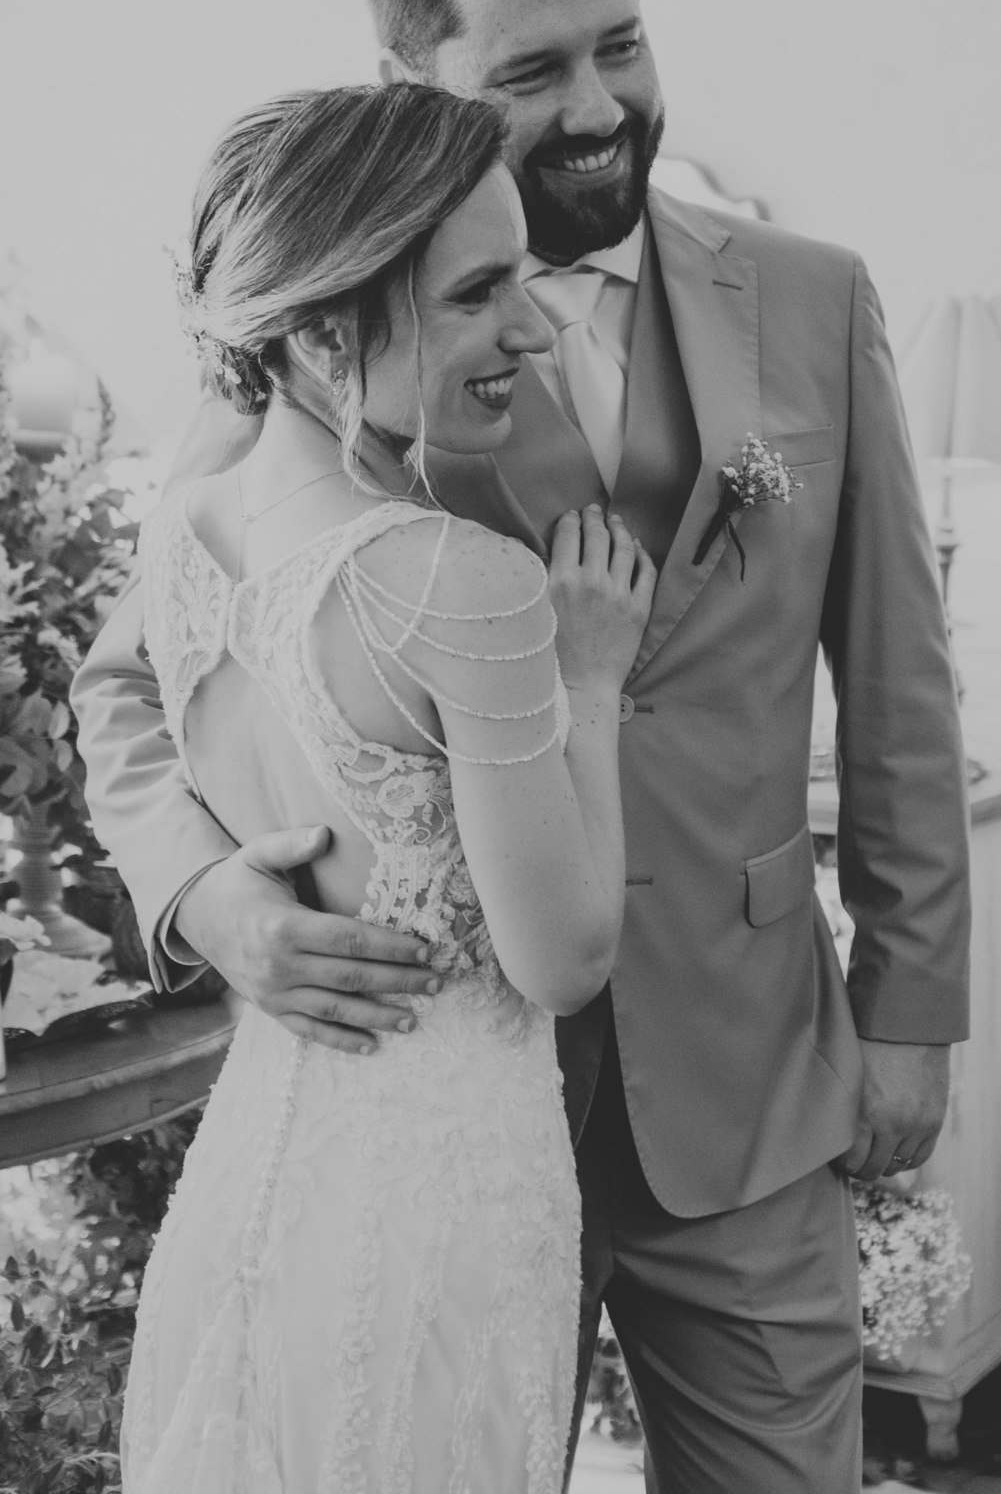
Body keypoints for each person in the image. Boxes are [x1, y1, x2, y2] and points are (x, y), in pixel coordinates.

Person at [75, 0, 971, 1491]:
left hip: (745, 1072)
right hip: (448, 1097)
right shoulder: (321, 332)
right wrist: (211, 902)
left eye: (620, 43)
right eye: (532, 71)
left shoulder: (811, 299)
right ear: (413, 81)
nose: (598, 105)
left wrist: (914, 1007)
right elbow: (135, 678)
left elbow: (900, 679)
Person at [113, 80, 656, 1492]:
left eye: (523, 277)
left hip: (258, 1186)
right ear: (321, 331)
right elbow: (563, 958)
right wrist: (590, 680)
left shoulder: (184, 531)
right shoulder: (458, 583)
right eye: (477, 293)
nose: (533, 327)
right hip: (439, 1214)